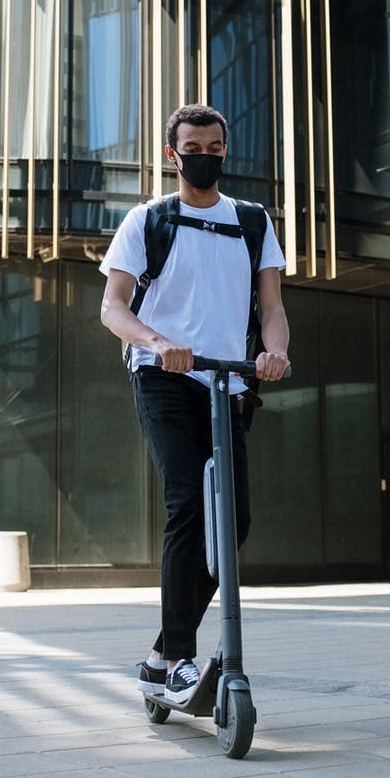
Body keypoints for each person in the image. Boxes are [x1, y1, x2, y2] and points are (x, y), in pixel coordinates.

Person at [99, 104, 290, 705]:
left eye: (214, 146)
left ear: (224, 152)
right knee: (189, 504)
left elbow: (272, 308)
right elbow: (112, 307)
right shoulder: (149, 220)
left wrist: (275, 352)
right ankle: (179, 655)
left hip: (226, 382)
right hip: (164, 377)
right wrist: (158, 343)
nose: (204, 155)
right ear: (171, 153)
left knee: (235, 521)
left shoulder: (253, 222)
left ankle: (161, 658)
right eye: (193, 146)